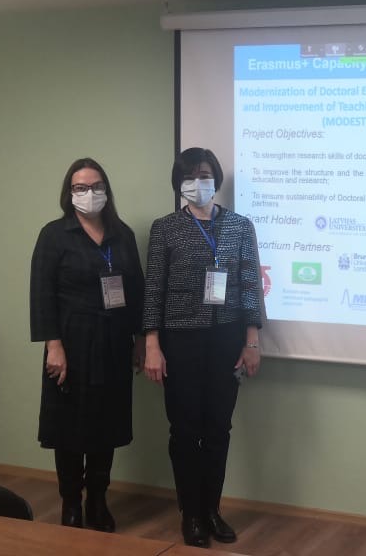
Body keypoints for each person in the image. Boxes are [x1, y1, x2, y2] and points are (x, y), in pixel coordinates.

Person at [142, 147, 265, 548]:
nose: (198, 183)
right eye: (190, 176)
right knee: (184, 430)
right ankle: (190, 513)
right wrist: (152, 344)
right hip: (180, 340)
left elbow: (250, 285)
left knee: (218, 429)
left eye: (205, 175)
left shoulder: (240, 226)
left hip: (226, 338)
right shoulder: (165, 228)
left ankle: (212, 509)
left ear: (217, 179)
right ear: (179, 184)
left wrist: (252, 340)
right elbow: (154, 289)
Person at [29, 158, 145, 532]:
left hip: (113, 343)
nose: (89, 193)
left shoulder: (122, 235)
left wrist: (140, 340)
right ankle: (71, 503)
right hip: (71, 343)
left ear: (106, 190)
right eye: (80, 187)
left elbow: (136, 291)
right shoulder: (54, 235)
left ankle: (97, 500)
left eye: (96, 186)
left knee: (104, 427)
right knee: (69, 429)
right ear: (69, 193)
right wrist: (53, 346)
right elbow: (41, 294)